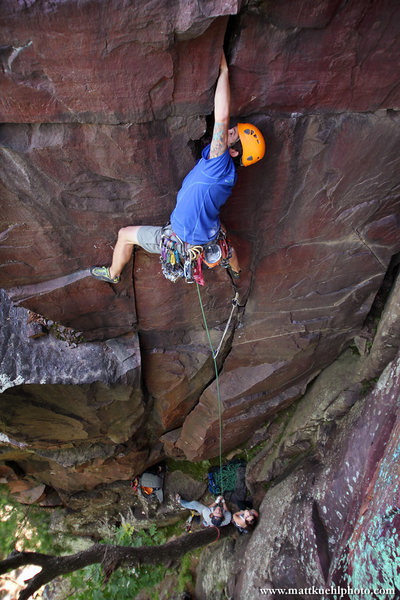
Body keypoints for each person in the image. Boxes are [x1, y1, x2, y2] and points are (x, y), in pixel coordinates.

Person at [90, 51, 265, 285]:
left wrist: (224, 73)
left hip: (182, 238)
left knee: (124, 235)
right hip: (207, 233)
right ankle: (236, 272)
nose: (227, 133)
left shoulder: (218, 164)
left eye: (233, 135)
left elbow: (221, 118)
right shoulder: (226, 173)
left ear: (233, 152)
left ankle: (112, 274)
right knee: (225, 244)